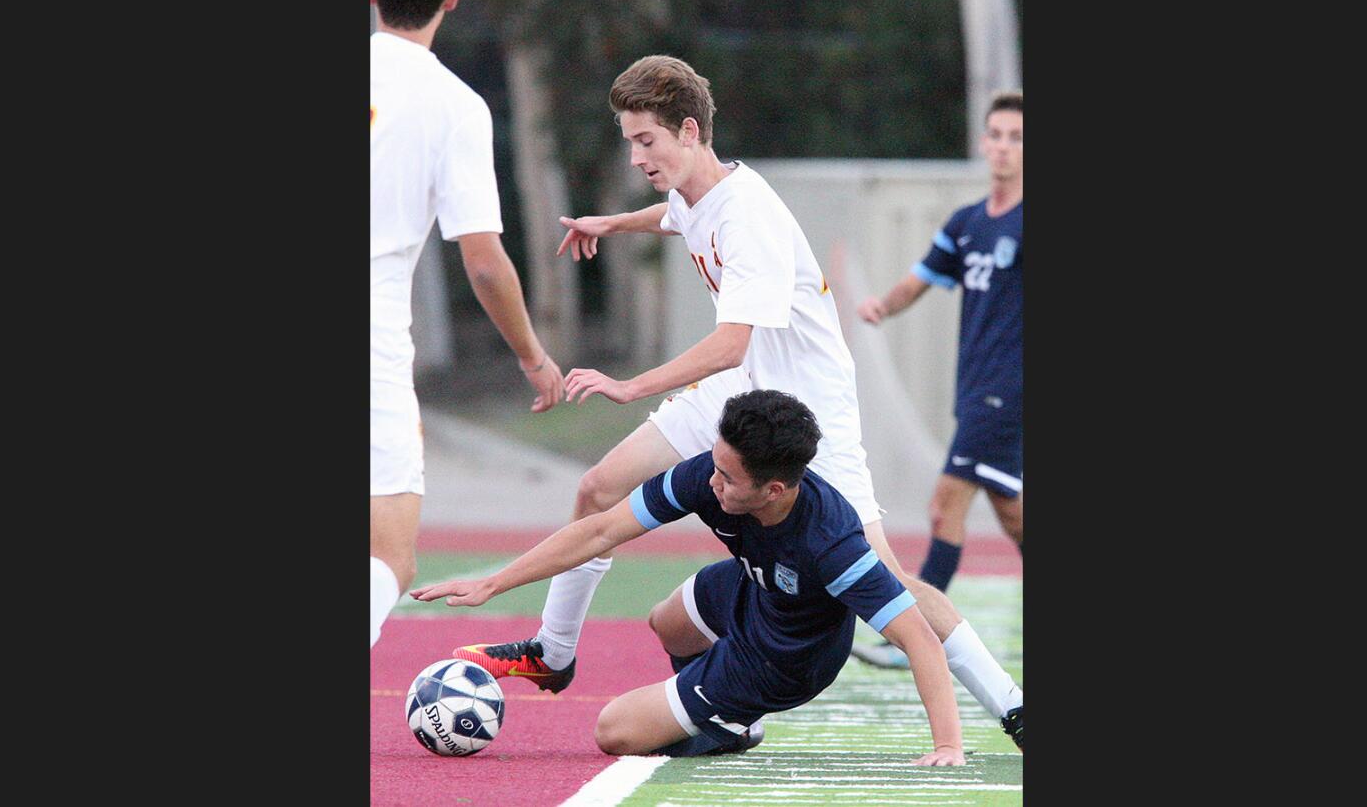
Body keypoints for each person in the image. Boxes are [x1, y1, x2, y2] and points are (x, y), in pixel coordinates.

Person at [451, 55, 1021, 747]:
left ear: (689, 131)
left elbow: (728, 342)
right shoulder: (701, 188)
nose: (635, 156)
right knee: (599, 489)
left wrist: (631, 385)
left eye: (645, 141)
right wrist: (612, 223)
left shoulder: (748, 217)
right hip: (739, 386)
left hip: (803, 410)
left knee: (890, 581)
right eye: (630, 141)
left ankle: (1010, 703)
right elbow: (679, 217)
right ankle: (554, 652)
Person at [414, 391, 968, 764]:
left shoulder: (832, 542)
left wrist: (948, 745)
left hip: (787, 657)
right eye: (716, 464)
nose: (714, 482)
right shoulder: (710, 472)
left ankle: (732, 718)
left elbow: (918, 636)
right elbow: (600, 530)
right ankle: (712, 705)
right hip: (752, 588)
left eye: (729, 477)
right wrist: (496, 584)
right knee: (667, 621)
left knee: (615, 733)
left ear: (774, 490)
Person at [369, 0, 563, 649]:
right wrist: (534, 357)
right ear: (450, 0)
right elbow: (483, 263)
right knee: (389, 556)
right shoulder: (454, 104)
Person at [849, 92, 1022, 670]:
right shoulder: (967, 222)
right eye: (996, 134)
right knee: (1011, 511)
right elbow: (920, 279)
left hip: (1010, 389)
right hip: (975, 387)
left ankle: (916, 636)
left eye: (1016, 137)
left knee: (945, 506)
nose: (1003, 146)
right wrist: (880, 306)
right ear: (982, 142)